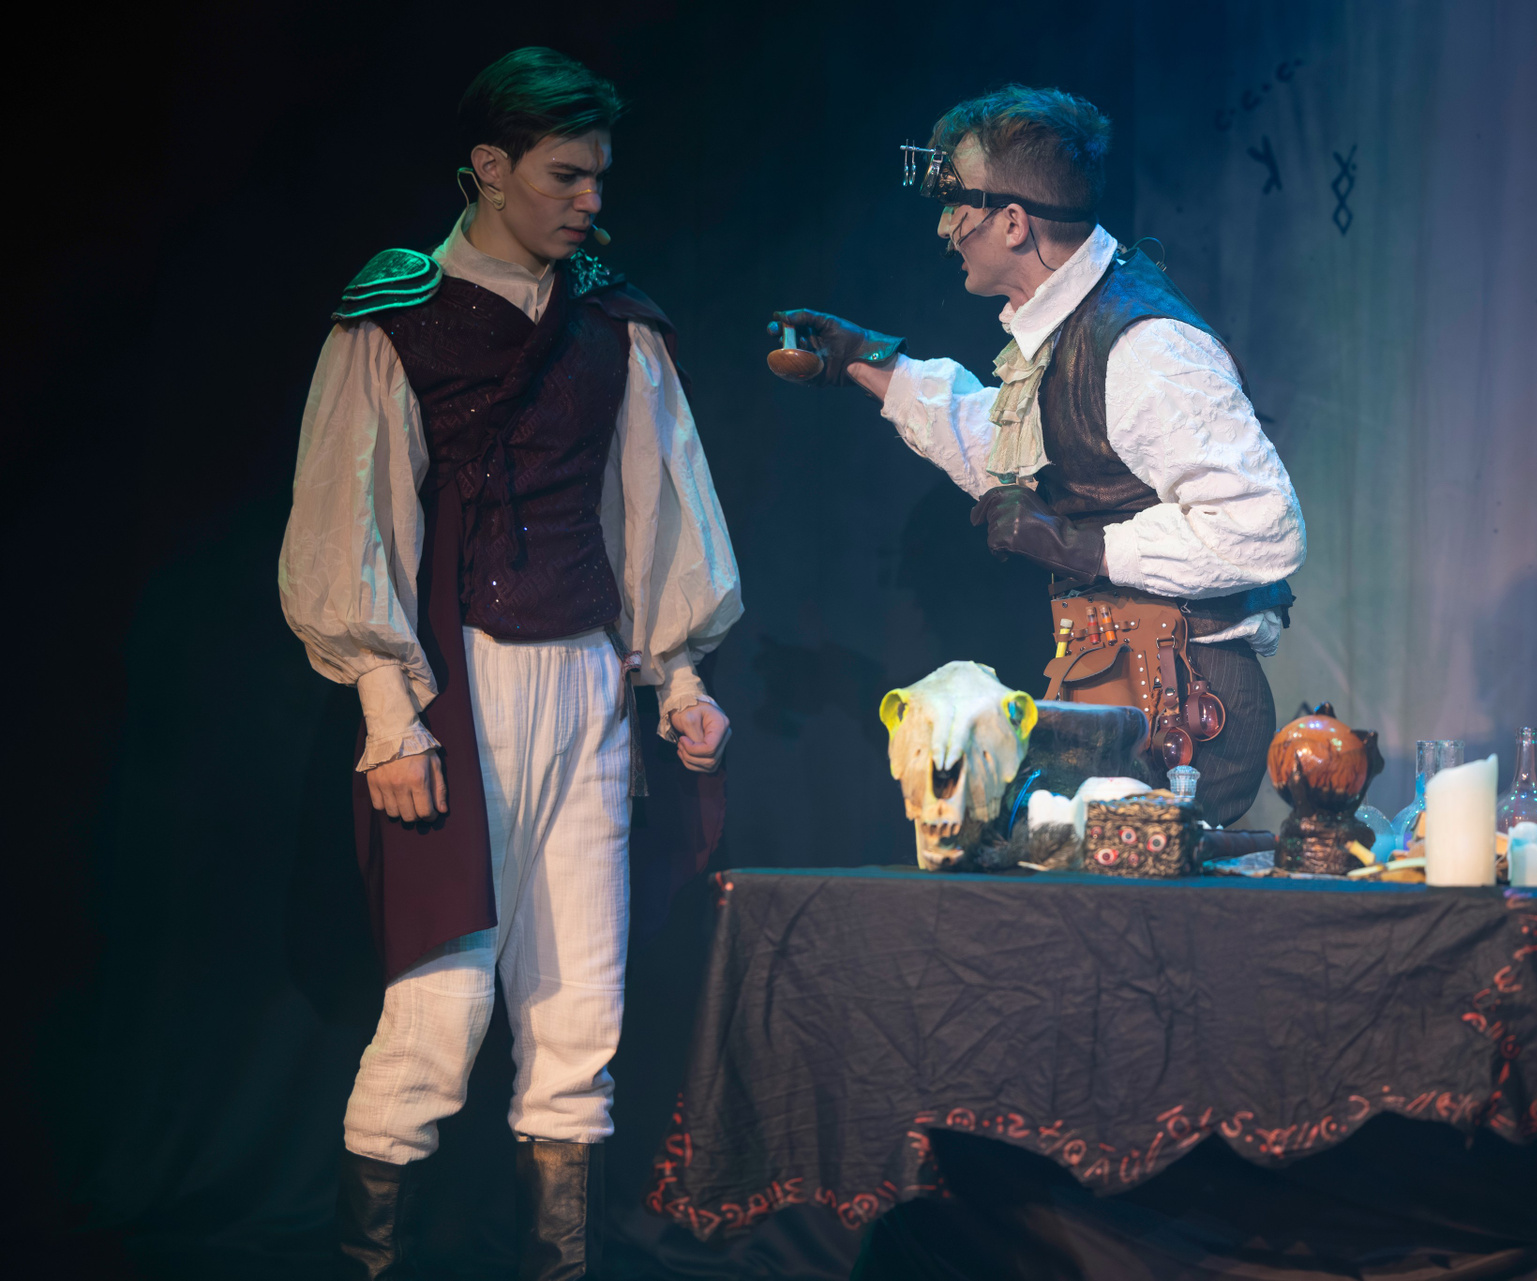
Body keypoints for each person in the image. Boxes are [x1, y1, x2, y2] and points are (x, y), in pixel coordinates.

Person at [278, 47, 741, 1280]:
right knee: (441, 1011)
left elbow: (658, 508)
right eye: (564, 176)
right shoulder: (397, 314)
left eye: (599, 178)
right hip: (455, 693)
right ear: (490, 166)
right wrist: (388, 713)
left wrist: (680, 681)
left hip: (587, 680)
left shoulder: (614, 323)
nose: (591, 200)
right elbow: (352, 520)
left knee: (580, 1008)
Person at [772, 86, 1303, 825]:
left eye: (957, 206)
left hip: (1183, 697)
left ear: (1014, 222)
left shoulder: (1144, 344)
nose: (945, 229)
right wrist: (867, 363)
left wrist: (1081, 546)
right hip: (1118, 677)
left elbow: (1262, 525)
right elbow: (1007, 444)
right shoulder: (1066, 329)